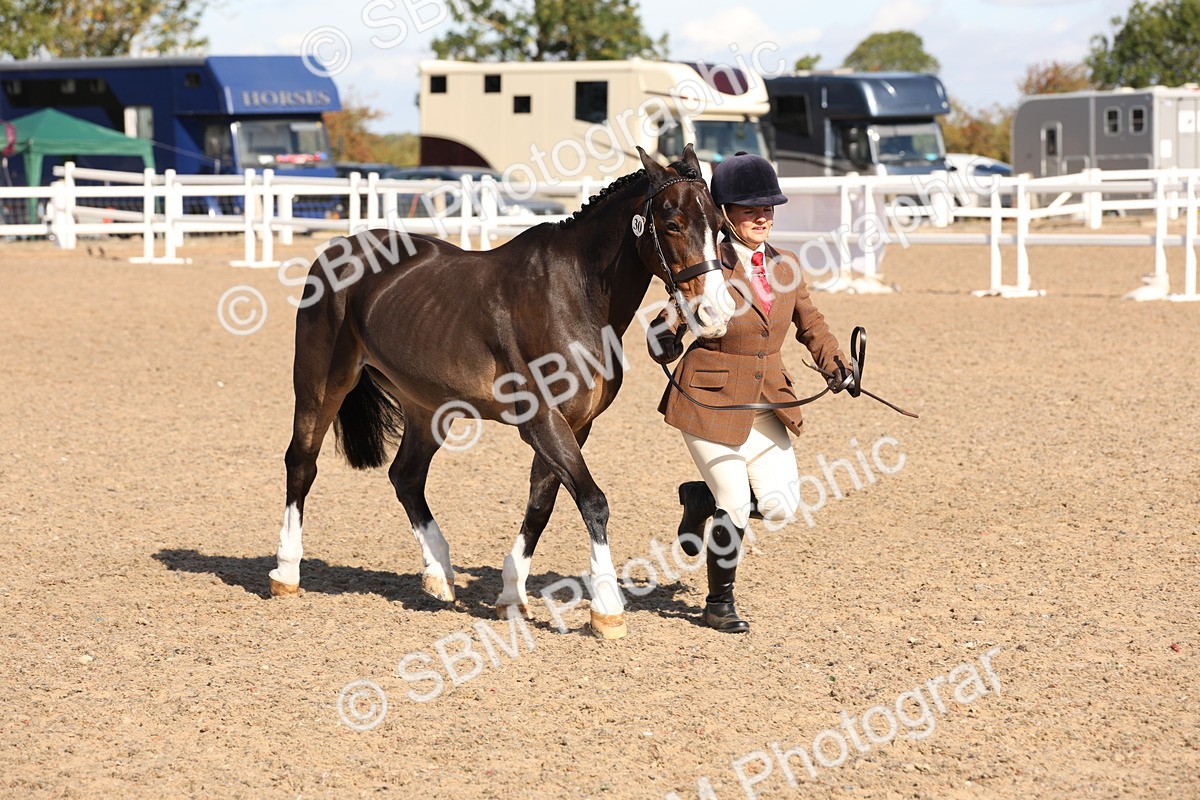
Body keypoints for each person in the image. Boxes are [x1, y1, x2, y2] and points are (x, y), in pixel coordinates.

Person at [647, 151, 853, 633]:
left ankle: (699, 501)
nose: (762, 218)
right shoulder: (705, 264)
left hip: (768, 402)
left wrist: (837, 365)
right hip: (709, 398)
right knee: (736, 502)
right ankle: (718, 603)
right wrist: (666, 334)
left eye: (768, 209)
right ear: (724, 215)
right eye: (748, 210)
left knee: (782, 505)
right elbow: (671, 318)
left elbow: (812, 323)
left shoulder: (786, 265)